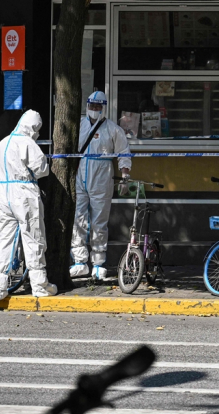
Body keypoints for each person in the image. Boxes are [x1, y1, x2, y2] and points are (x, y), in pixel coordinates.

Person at [0, 110, 57, 301]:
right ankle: (40, 284)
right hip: (24, 193)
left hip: (4, 193)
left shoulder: (3, 143)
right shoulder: (27, 143)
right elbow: (42, 169)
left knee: (4, 240)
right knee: (33, 238)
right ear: (34, 127)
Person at [70, 91, 132, 280]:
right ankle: (80, 262)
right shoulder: (78, 125)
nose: (95, 109)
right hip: (80, 175)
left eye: (98, 106)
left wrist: (125, 177)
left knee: (99, 221)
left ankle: (98, 262)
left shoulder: (112, 129)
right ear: (87, 106)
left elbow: (124, 152)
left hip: (102, 177)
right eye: (92, 106)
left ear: (104, 107)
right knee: (78, 219)